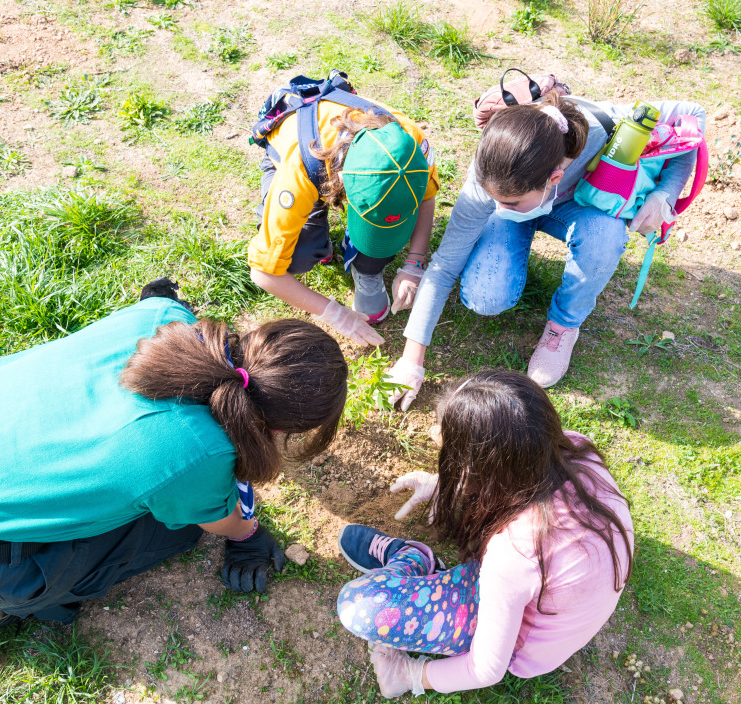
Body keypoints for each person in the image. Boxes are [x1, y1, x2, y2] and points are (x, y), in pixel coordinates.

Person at [0, 289, 348, 655]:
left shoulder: (164, 316)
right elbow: (225, 522)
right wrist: (247, 537)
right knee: (178, 531)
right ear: (282, 427)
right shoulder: (201, 454)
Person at [386, 93, 706, 407]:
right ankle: (516, 229)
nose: (493, 205)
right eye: (490, 197)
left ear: (554, 177)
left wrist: (666, 192)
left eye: (506, 202)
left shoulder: (604, 127)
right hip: (526, 205)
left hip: (579, 206)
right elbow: (444, 265)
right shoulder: (490, 178)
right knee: (485, 296)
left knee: (606, 236)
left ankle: (563, 326)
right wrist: (411, 361)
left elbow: (693, 115)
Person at [335, 370, 634, 697]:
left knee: (357, 606)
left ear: (484, 470)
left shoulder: (515, 553)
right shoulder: (578, 448)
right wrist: (439, 486)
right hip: (558, 602)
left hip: (523, 646)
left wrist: (411, 673)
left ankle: (414, 559)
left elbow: (486, 667)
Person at [248, 94, 441, 347]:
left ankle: (364, 262)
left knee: (374, 249)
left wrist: (415, 264)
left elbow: (426, 198)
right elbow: (264, 273)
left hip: (329, 168)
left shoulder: (411, 144)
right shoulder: (298, 171)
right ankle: (316, 232)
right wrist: (335, 314)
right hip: (305, 161)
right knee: (298, 254)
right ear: (341, 180)